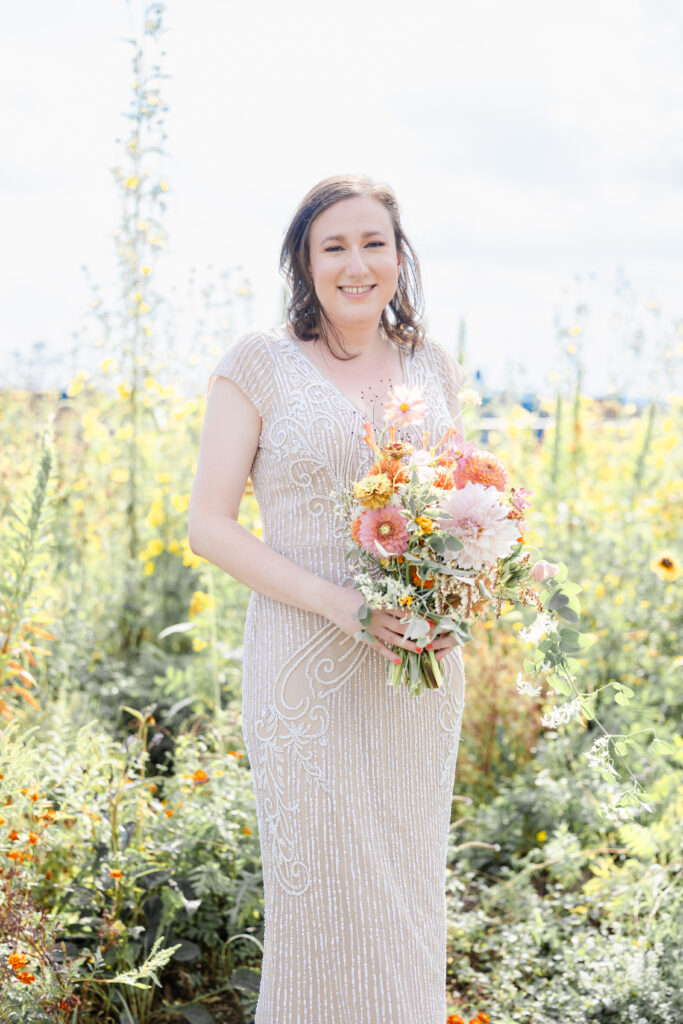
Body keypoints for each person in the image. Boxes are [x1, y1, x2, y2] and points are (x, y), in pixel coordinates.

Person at [188, 174, 467, 1024]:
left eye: (372, 243)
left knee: (407, 898)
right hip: (302, 668)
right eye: (333, 246)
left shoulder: (432, 364)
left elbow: (455, 502)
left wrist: (464, 576)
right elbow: (209, 525)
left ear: (397, 255)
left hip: (413, 670)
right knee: (321, 903)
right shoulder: (257, 364)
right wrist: (333, 603)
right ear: (303, 263)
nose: (356, 264)